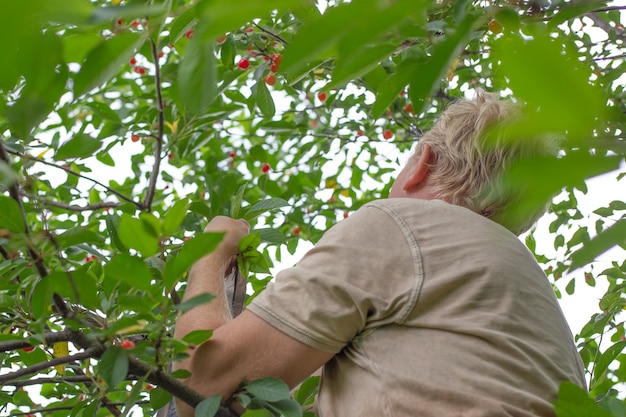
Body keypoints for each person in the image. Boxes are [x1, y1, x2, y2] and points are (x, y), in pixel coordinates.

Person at [174, 91, 586, 417]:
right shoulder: (531, 302)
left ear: (422, 164)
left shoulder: (405, 224)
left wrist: (209, 253)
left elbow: (201, 386)